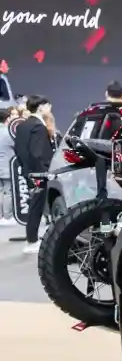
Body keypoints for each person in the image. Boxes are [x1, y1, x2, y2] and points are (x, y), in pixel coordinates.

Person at [12, 94, 55, 253]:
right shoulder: (38, 127)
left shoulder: (23, 125)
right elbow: (38, 153)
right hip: (38, 173)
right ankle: (32, 241)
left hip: (28, 171)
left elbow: (19, 150)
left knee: (34, 205)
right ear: (41, 107)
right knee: (36, 206)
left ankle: (31, 238)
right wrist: (44, 172)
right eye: (48, 105)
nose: (50, 108)